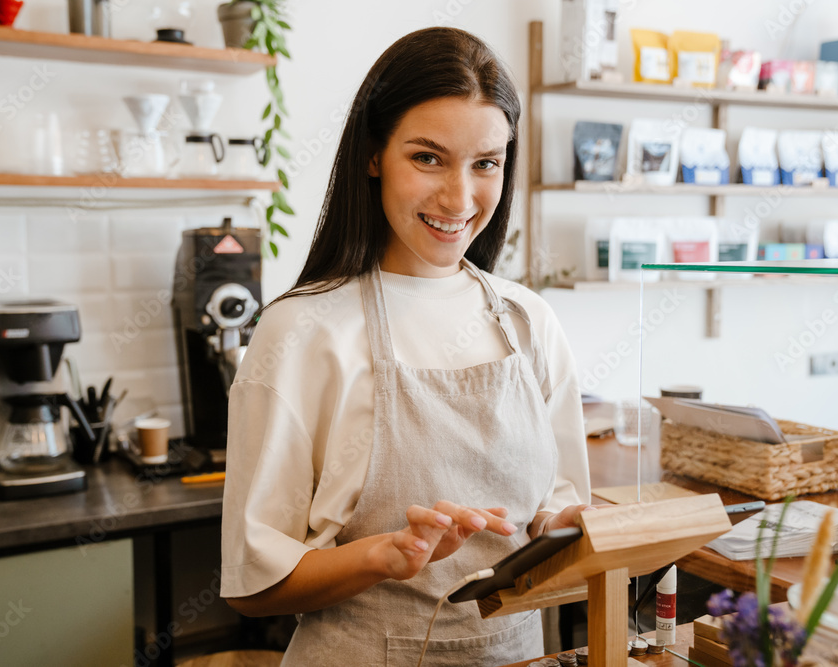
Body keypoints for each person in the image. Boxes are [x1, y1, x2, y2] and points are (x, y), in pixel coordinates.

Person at [221, 26, 592, 665]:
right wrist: (382, 557)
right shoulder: (303, 333)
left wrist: (578, 530)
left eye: (486, 164)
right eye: (428, 158)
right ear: (373, 154)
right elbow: (252, 585)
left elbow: (555, 517)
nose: (459, 198)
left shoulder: (529, 321)